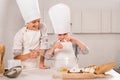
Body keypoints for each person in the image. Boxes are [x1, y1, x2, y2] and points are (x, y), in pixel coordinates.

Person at [45, 4, 89, 68]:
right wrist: (53, 48)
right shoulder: (53, 44)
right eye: (60, 35)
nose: (62, 37)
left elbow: (86, 51)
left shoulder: (74, 44)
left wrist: (77, 41)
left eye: (65, 34)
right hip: (57, 70)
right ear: (57, 34)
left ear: (68, 32)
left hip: (73, 70)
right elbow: (47, 57)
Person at [13, 0, 49, 69]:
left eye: (38, 21)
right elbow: (16, 57)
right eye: (34, 22)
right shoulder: (20, 34)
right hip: (24, 67)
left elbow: (43, 46)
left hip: (38, 66)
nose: (37, 24)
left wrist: (41, 63)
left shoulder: (42, 27)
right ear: (27, 23)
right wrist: (29, 55)